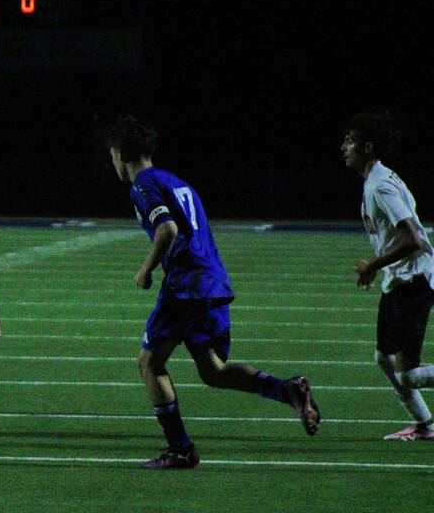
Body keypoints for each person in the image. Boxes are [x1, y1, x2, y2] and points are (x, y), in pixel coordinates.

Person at [106, 114, 320, 469]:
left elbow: (167, 230)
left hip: (187, 285)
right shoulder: (177, 182)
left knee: (148, 363)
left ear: (119, 153)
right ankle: (287, 390)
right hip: (211, 281)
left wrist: (145, 269)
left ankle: (180, 449)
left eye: (111, 153)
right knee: (213, 371)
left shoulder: (143, 183)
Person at [342, 110, 434, 441]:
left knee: (407, 375)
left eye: (350, 141)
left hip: (413, 282)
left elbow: (414, 239)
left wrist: (372, 264)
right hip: (398, 281)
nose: (344, 147)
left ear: (367, 147)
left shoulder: (380, 185)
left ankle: (426, 425)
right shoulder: (376, 181)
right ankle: (424, 425)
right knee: (383, 356)